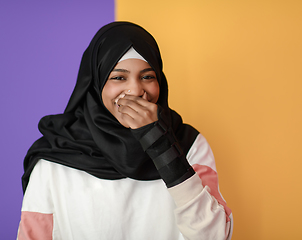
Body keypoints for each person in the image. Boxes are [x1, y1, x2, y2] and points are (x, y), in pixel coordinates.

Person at [17, 22, 233, 240]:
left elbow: (214, 236)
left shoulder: (189, 144)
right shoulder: (55, 157)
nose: (136, 90)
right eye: (119, 77)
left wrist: (161, 144)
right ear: (95, 83)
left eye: (148, 76)